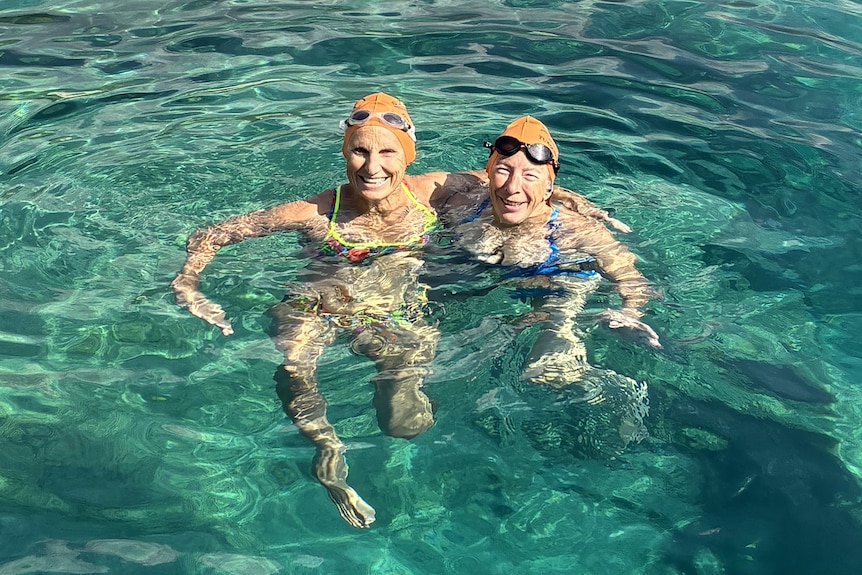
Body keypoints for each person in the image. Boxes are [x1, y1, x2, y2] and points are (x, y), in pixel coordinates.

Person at [171, 93, 624, 528]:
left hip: (390, 315)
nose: (372, 167)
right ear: (345, 153)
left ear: (407, 155)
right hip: (316, 302)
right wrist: (189, 286)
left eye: (386, 152)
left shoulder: (429, 194)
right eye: (359, 152)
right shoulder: (315, 210)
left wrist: (575, 201)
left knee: (405, 424)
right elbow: (211, 235)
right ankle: (327, 454)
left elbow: (505, 177)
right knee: (295, 366)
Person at [435, 116, 660, 455]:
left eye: (530, 176)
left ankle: (617, 392)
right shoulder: (462, 204)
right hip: (497, 281)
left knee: (544, 369)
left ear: (549, 186)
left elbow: (632, 278)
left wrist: (629, 312)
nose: (512, 187)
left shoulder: (575, 229)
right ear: (489, 173)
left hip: (560, 286)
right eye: (504, 171)